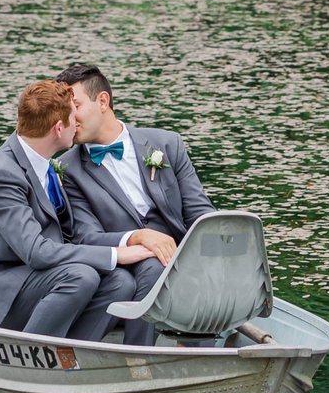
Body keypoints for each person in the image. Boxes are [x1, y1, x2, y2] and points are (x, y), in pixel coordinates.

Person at [0, 80, 171, 345]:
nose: (78, 124)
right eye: (73, 117)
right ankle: (30, 358)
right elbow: (37, 252)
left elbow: (69, 234)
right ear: (58, 128)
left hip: (42, 278)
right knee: (81, 276)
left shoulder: (44, 162)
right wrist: (116, 254)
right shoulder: (2, 175)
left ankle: (70, 361)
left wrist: (132, 240)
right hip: (3, 290)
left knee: (120, 282)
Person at [55, 64, 216, 256]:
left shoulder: (167, 144)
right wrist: (135, 237)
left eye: (74, 107)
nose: (67, 119)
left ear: (103, 101)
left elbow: (200, 213)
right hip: (129, 262)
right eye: (61, 111)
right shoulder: (66, 169)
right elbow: (87, 237)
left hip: (183, 253)